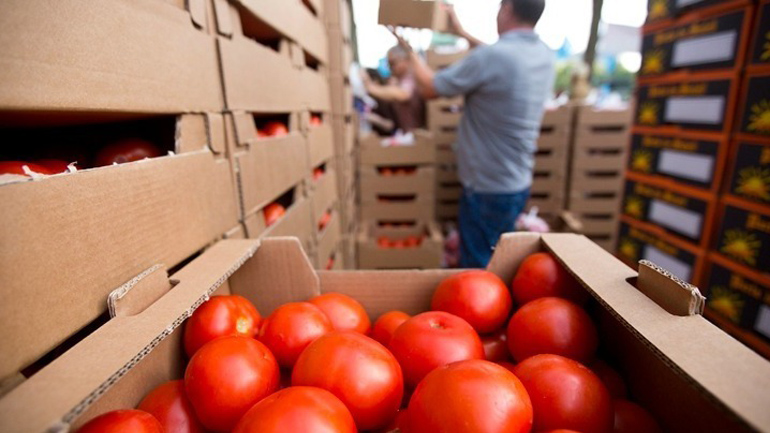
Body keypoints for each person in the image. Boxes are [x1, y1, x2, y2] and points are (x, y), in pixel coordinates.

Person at [391, 0, 555, 268]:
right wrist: (461, 33)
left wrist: (408, 50)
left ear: (507, 9)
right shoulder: (543, 55)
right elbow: (499, 58)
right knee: (501, 260)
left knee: (479, 268)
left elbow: (431, 88)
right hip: (517, 180)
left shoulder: (493, 57)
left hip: (487, 186)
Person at [361, 45, 425, 132]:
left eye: (393, 63)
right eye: (389, 64)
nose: (391, 68)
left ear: (405, 60)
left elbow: (404, 94)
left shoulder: (412, 77)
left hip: (417, 134)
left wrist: (370, 87)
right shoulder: (399, 80)